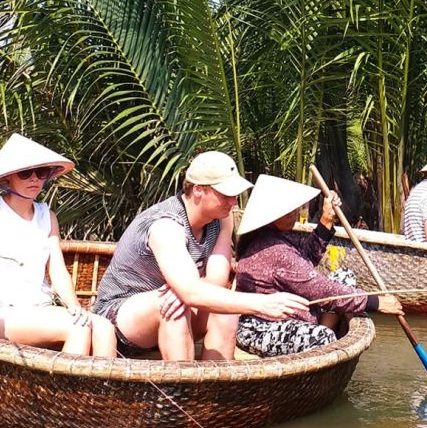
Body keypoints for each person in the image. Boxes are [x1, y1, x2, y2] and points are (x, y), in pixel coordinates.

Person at [92, 152, 309, 361]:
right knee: (173, 306)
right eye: (225, 195)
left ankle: (213, 390)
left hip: (176, 305)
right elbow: (191, 293)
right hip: (121, 318)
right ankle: (183, 392)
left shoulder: (222, 219)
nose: (233, 202)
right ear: (198, 190)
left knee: (224, 310)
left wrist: (187, 290)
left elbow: (216, 280)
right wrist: (262, 304)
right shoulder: (166, 226)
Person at [0, 134, 116, 357]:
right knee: (78, 329)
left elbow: (57, 269)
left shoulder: (47, 216)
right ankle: (62, 392)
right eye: (25, 173)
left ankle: (96, 391)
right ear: (8, 177)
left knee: (104, 329)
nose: (34, 179)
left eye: (40, 173)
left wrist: (74, 306)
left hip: (38, 308)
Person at [234, 175, 403, 357]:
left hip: (292, 315)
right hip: (260, 327)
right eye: (289, 210)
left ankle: (323, 327)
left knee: (344, 276)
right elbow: (322, 291)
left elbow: (303, 262)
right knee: (323, 338)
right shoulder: (272, 248)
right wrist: (375, 302)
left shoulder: (276, 237)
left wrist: (327, 220)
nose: (296, 213)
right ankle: (323, 337)